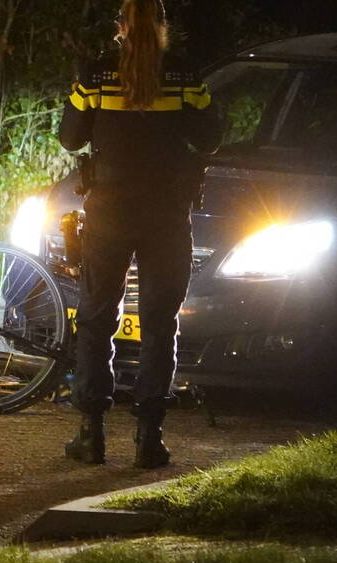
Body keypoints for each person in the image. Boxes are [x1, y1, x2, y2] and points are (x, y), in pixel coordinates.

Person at [58, 0, 222, 468]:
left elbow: (70, 138)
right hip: (166, 215)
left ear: (121, 28)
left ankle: (91, 435)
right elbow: (211, 136)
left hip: (109, 213)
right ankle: (150, 439)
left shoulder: (96, 76)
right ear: (164, 28)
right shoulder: (186, 77)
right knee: (159, 323)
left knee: (95, 319)